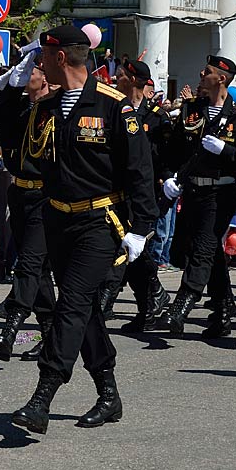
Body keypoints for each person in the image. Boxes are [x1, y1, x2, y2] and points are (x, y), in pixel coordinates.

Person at [10, 24, 157, 435]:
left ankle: (42, 397)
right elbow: (0, 129)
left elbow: (139, 170)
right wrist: (8, 83)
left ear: (60, 58)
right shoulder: (48, 106)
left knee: (72, 304)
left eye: (42, 57)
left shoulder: (114, 107)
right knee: (86, 309)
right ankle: (108, 394)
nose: (37, 64)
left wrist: (141, 228)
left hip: (99, 222)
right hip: (58, 218)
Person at [0, 49, 57, 361]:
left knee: (29, 263)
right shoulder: (14, 104)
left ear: (45, 75)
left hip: (48, 197)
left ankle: (10, 330)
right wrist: (2, 83)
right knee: (40, 272)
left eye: (31, 67)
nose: (25, 71)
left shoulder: (57, 106)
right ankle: (50, 335)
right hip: (19, 193)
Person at [157, 55, 236, 338]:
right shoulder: (191, 109)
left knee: (203, 247)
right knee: (199, 250)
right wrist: (169, 177)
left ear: (222, 79)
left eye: (207, 71)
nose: (201, 73)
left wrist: (226, 151)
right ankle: (224, 308)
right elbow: (173, 150)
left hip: (221, 193)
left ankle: (180, 308)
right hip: (194, 190)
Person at [96, 60, 171, 332]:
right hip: (118, 190)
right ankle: (153, 299)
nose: (116, 78)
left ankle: (107, 302)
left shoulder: (155, 115)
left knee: (127, 247)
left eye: (122, 75)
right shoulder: (114, 108)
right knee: (130, 249)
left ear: (137, 80)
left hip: (144, 190)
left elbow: (160, 156)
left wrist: (167, 180)